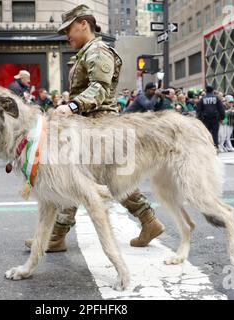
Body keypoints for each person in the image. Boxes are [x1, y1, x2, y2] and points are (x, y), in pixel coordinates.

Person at [24, 4, 165, 252]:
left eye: (68, 29)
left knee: (80, 178)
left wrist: (72, 106)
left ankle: (57, 235)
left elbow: (99, 89)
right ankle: (147, 221)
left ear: (83, 24)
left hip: (99, 126)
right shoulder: (87, 52)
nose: (66, 35)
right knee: (84, 178)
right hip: (91, 125)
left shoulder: (98, 51)